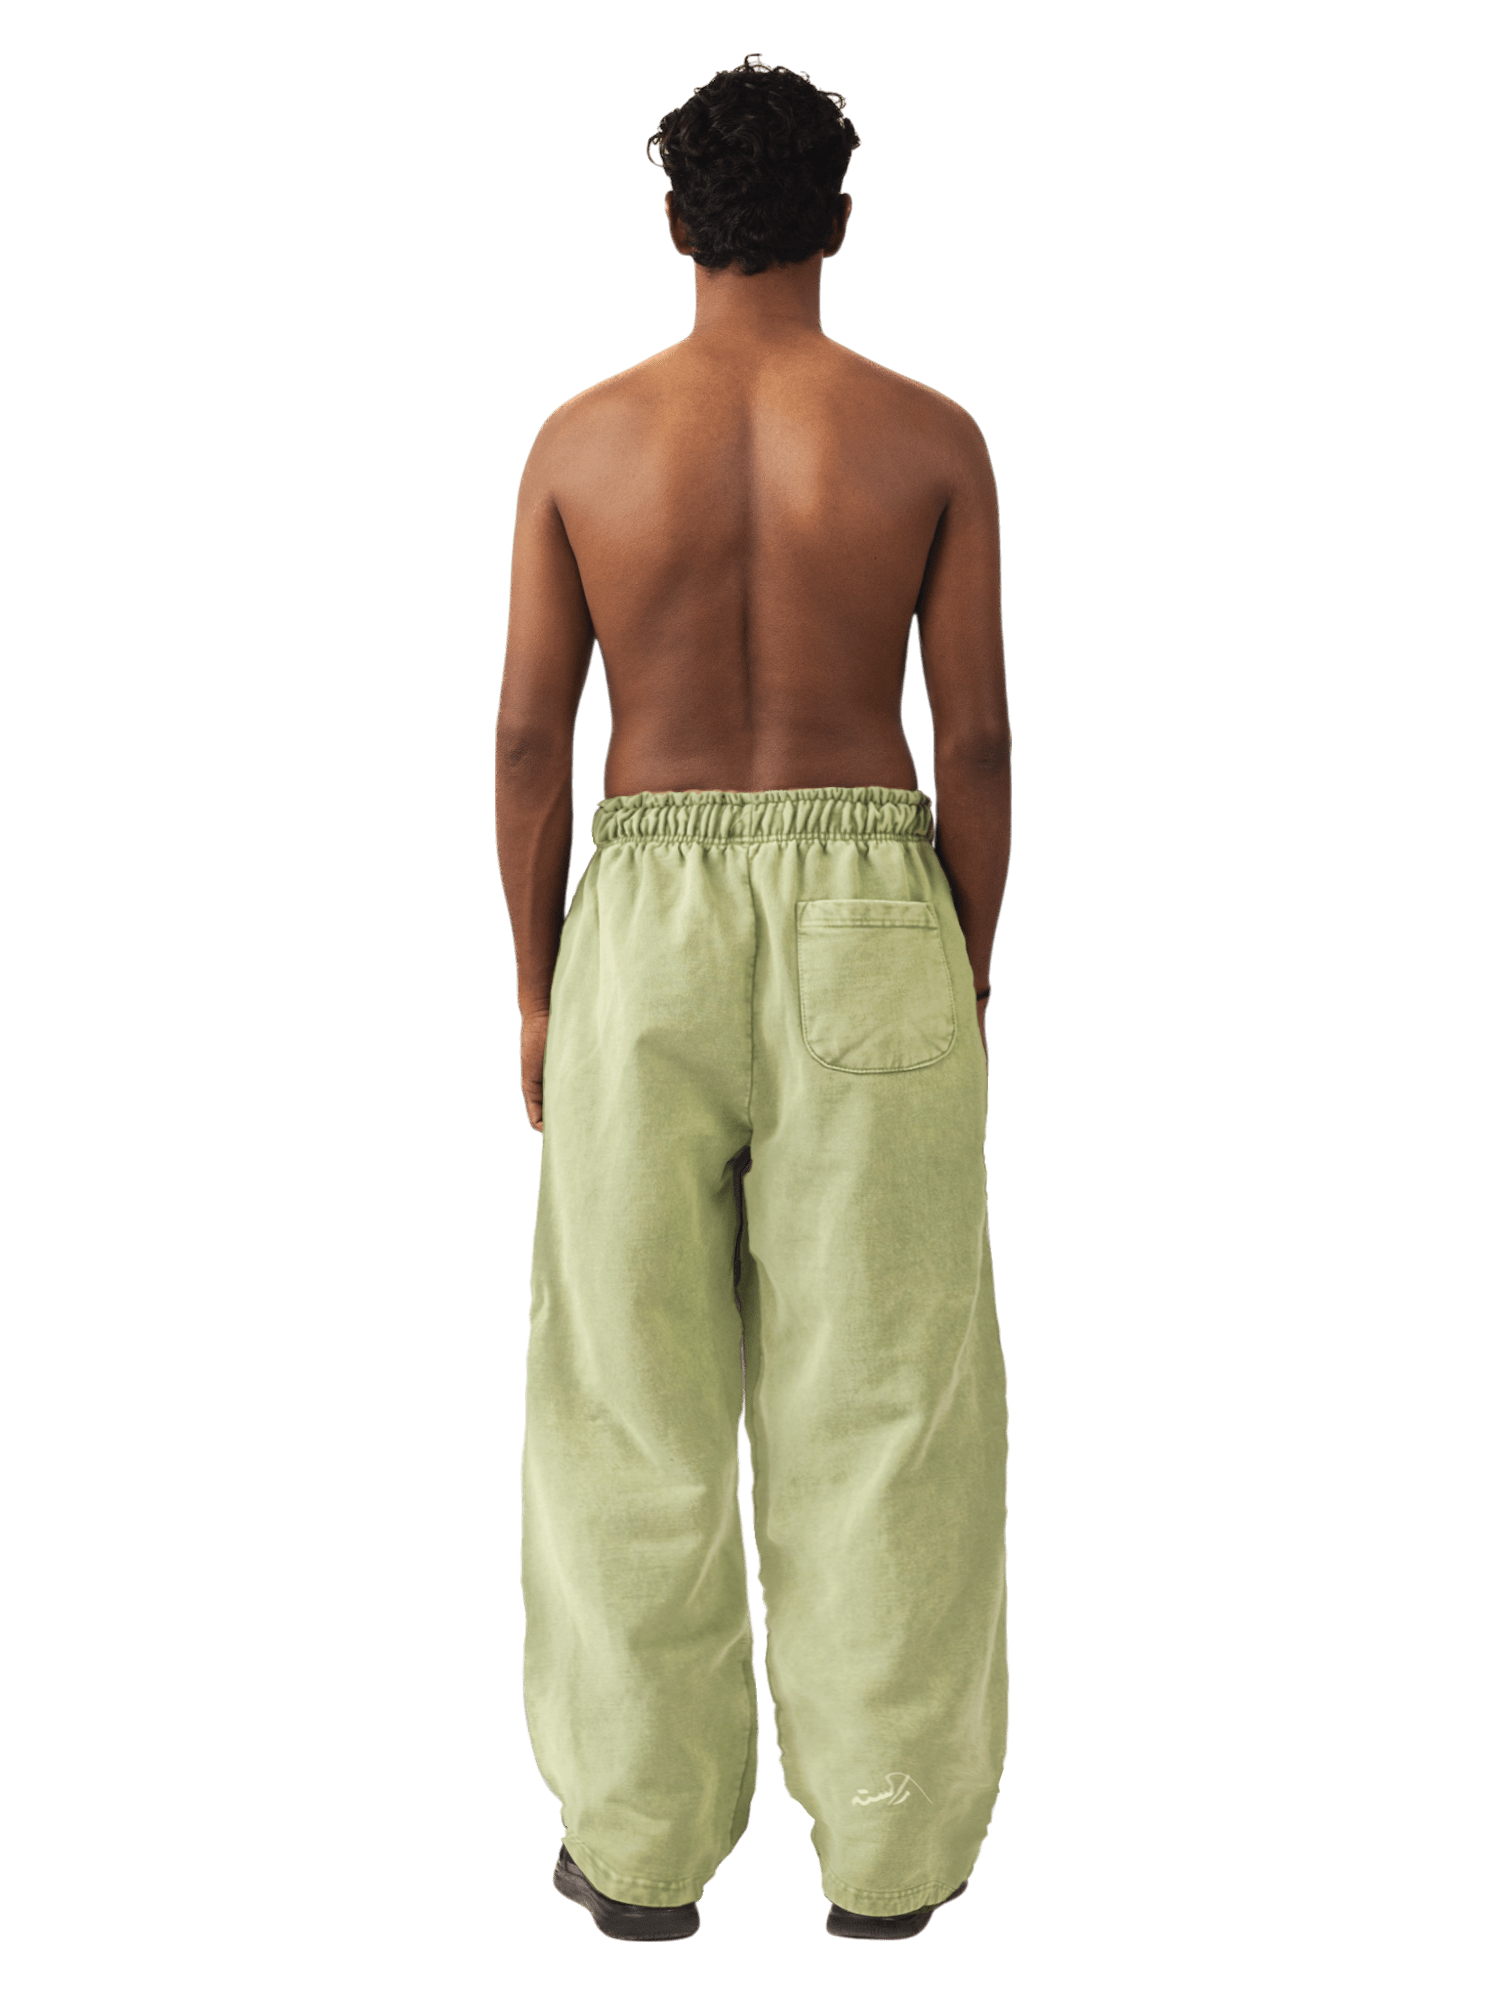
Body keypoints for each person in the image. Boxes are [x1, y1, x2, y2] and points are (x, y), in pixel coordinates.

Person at [495, 53, 1012, 1945]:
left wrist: (536, 987)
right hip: (873, 891)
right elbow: (978, 741)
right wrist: (967, 960)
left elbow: (533, 741)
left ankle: (638, 1852)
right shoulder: (928, 435)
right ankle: (888, 1856)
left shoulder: (581, 441)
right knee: (886, 1397)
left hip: (639, 910)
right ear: (842, 221)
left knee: (625, 1397)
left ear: (673, 224)